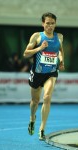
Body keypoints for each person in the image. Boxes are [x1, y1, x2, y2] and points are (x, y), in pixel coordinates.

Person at [23, 12, 65, 140]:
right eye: (47, 23)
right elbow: (26, 53)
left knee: (47, 97)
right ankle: (32, 118)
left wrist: (62, 61)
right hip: (37, 73)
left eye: (52, 23)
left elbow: (60, 50)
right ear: (43, 24)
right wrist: (39, 48)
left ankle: (42, 129)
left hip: (51, 72)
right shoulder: (37, 36)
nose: (50, 26)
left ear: (55, 24)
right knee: (35, 101)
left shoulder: (60, 37)